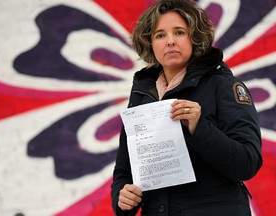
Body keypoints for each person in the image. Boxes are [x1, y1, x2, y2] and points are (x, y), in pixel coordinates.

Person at [111, 0, 263, 215]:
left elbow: (247, 163)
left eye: (180, 32)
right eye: (160, 35)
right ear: (150, 43)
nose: (170, 41)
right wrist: (122, 197)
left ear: (195, 38)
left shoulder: (224, 86)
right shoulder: (142, 94)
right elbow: (125, 169)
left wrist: (199, 127)